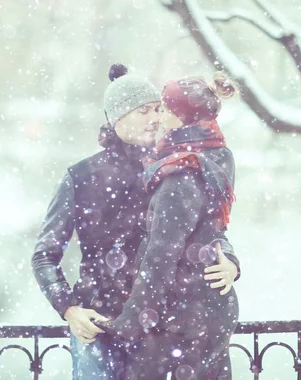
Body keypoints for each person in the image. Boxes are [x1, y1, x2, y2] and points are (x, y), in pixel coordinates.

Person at [96, 72, 241, 380]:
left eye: (164, 109)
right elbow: (213, 228)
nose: (159, 117)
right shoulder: (215, 153)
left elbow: (161, 255)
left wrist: (129, 321)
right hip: (211, 307)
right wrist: (230, 262)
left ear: (180, 116)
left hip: (184, 315)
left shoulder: (182, 172)